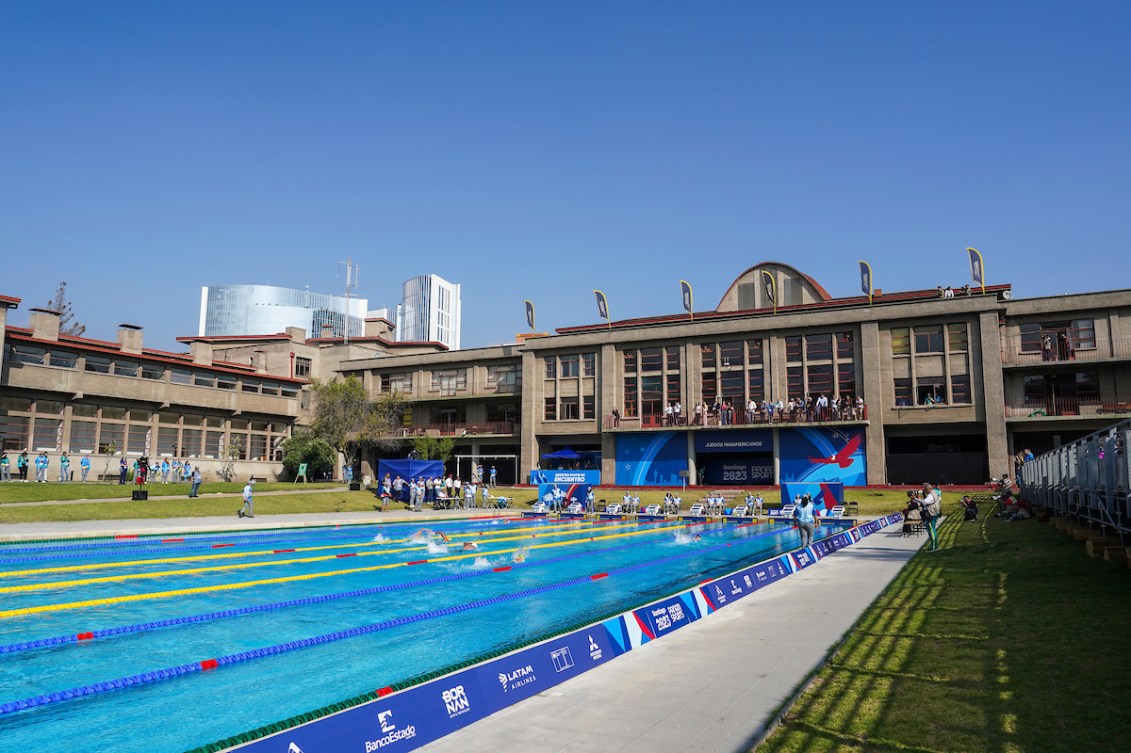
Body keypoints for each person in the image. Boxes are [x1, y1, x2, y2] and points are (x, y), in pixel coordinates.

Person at [920, 482, 941, 551]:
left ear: (929, 488)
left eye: (925, 489)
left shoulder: (930, 495)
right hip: (935, 513)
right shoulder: (936, 492)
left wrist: (916, 499)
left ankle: (934, 547)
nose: (925, 491)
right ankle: (935, 545)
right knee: (933, 530)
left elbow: (924, 502)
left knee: (931, 530)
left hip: (931, 514)